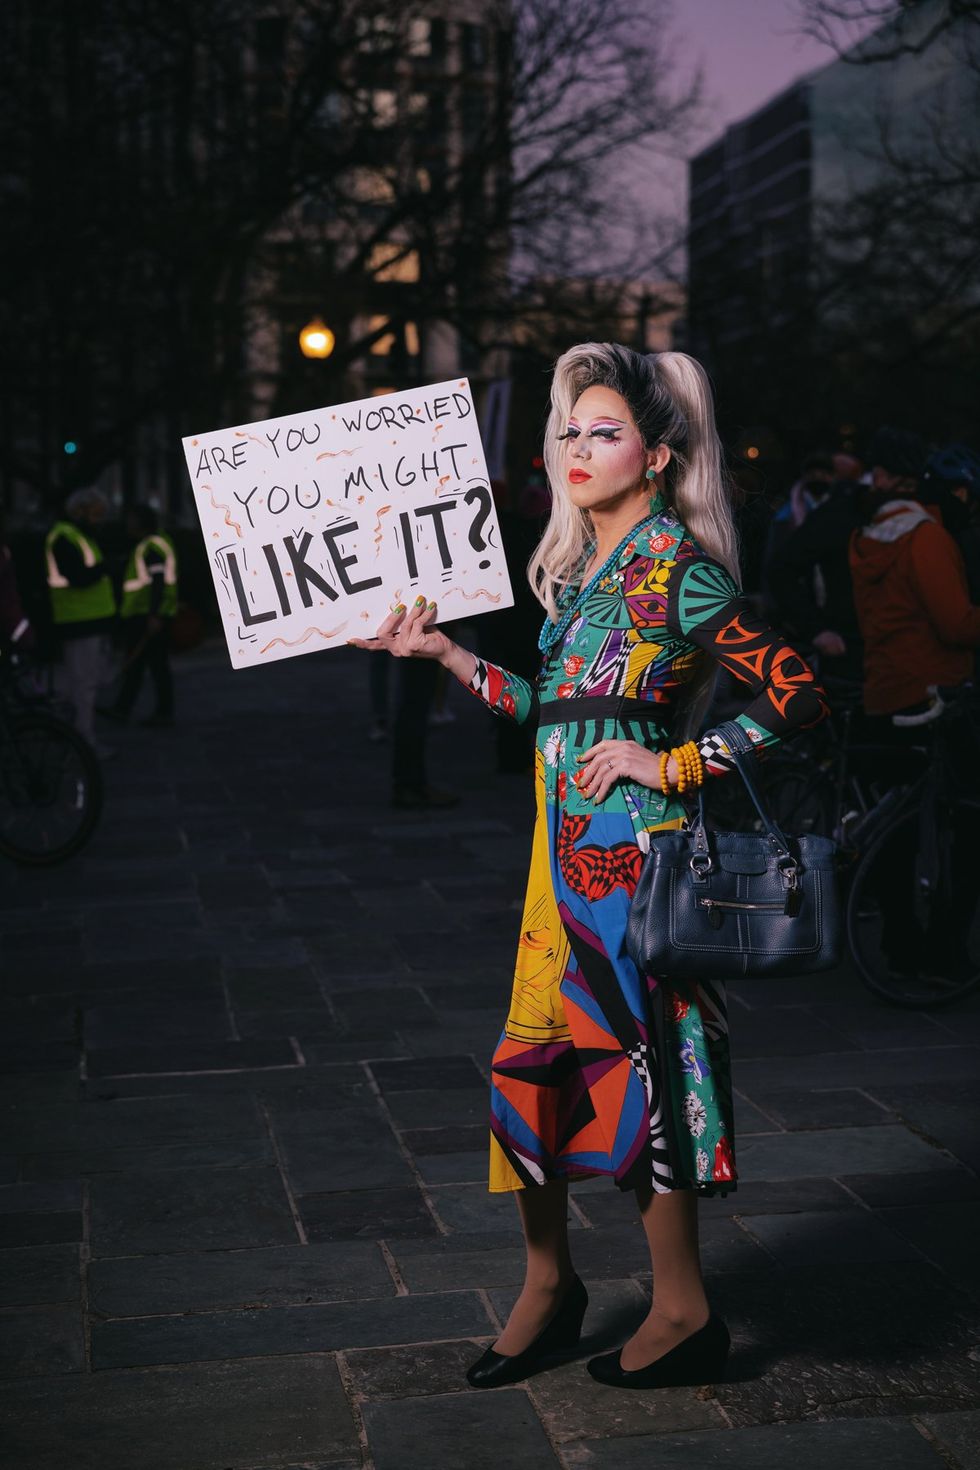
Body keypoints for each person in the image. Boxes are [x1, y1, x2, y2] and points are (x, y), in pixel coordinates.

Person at [350, 344, 826, 1391]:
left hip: (630, 870)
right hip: (551, 872)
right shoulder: (581, 578)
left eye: (600, 430)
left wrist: (676, 760)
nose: (574, 445)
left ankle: (683, 1307)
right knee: (531, 1066)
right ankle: (547, 1284)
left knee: (640, 1068)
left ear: (655, 456)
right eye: (566, 429)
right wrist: (445, 659)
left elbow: (797, 693)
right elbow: (545, 716)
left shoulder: (677, 570)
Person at [44, 487, 117, 753]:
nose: (99, 519)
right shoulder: (65, 537)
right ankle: (83, 741)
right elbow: (78, 577)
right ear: (81, 511)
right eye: (96, 513)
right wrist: (105, 568)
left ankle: (74, 734)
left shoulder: (75, 535)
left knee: (83, 682)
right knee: (83, 684)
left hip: (87, 620)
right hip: (79, 621)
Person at [100, 504, 178, 728]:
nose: (128, 524)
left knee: (151, 664)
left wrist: (153, 615)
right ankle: (126, 708)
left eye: (132, 519)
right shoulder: (153, 544)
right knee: (145, 664)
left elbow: (157, 581)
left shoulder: (150, 547)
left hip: (147, 615)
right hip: (150, 614)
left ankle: (154, 711)